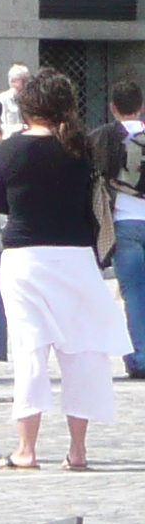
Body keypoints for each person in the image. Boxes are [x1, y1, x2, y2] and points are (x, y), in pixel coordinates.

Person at [0, 68, 119, 471]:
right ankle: (77, 450)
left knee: (29, 351)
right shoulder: (82, 148)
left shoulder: (10, 148)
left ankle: (25, 450)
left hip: (25, 257)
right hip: (77, 257)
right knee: (81, 351)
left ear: (27, 105)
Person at [107, 81, 145, 379]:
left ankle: (140, 357)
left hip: (123, 221)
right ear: (141, 106)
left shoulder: (105, 138)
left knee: (133, 293)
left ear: (113, 108)